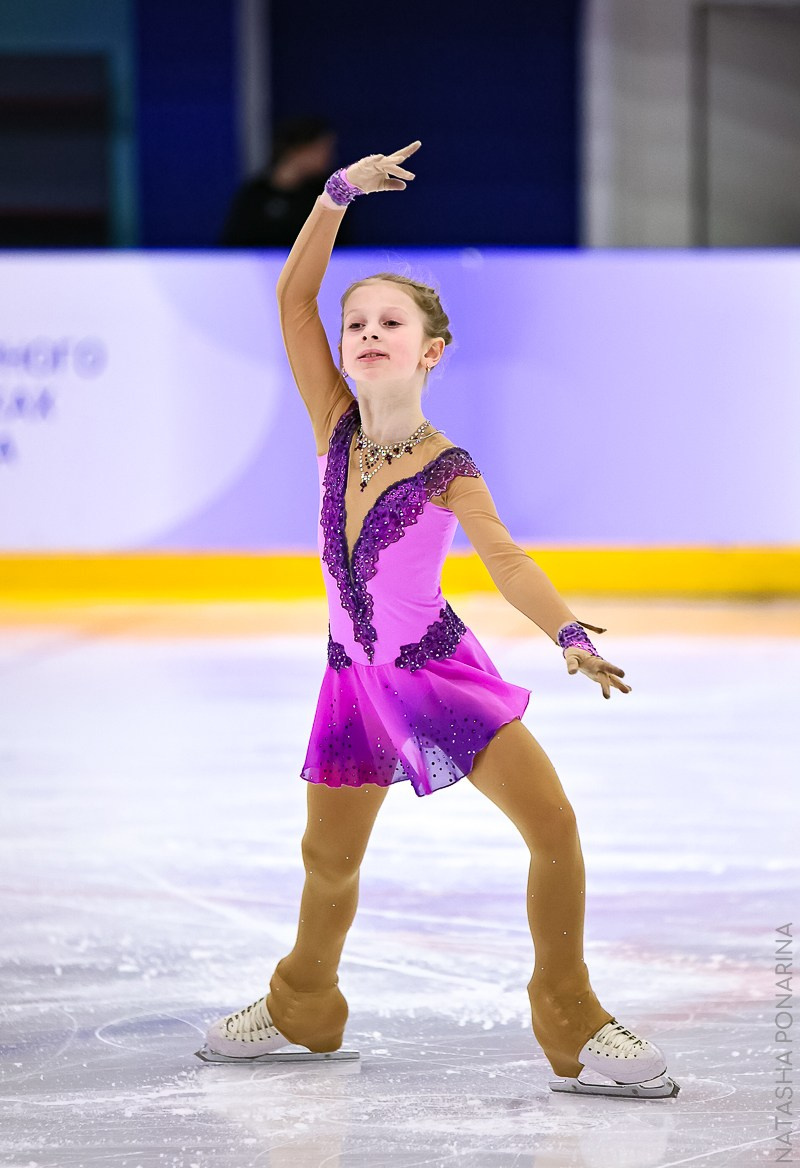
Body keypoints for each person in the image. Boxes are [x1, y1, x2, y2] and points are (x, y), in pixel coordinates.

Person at [201, 141, 679, 1099]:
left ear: (431, 352)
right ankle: (304, 1003)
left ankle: (568, 1011)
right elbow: (294, 298)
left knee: (553, 825)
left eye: (391, 322)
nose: (366, 332)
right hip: (353, 681)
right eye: (356, 323)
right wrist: (337, 194)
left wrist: (568, 634)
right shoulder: (333, 424)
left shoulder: (446, 466)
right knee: (326, 858)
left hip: (434, 672)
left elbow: (505, 557)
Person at [220, 115, 353, 248]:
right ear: (299, 149)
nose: (330, 157)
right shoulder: (254, 194)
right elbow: (233, 244)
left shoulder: (326, 195)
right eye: (322, 149)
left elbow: (341, 247)